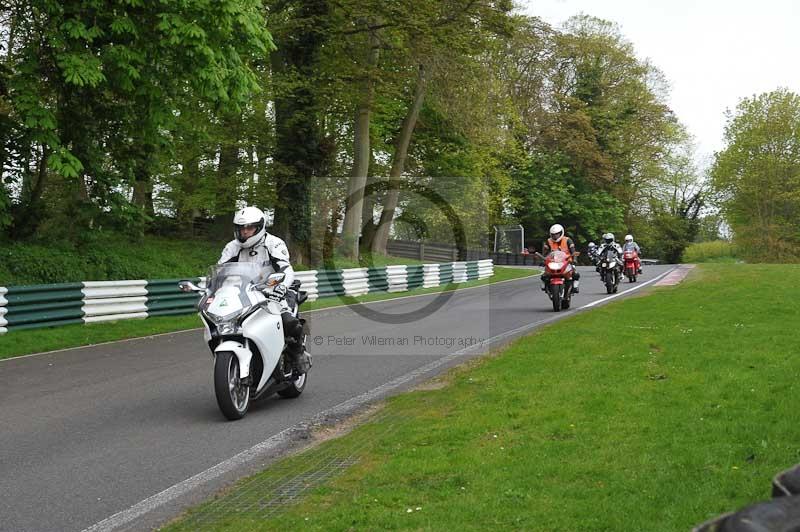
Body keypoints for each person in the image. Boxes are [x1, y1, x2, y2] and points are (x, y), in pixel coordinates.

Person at [218, 206, 311, 374]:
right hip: (244, 293)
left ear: (260, 227)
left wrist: (281, 287)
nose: (244, 232)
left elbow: (286, 269)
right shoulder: (232, 247)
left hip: (273, 290)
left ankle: (298, 353)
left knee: (287, 321)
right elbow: (220, 272)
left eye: (249, 228)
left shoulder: (273, 243)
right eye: (241, 228)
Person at [540, 223, 581, 293]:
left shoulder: (568, 240)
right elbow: (545, 252)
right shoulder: (549, 241)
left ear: (561, 233)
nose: (555, 236)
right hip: (553, 262)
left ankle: (575, 285)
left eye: (557, 234)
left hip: (566, 261)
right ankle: (545, 285)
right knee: (544, 275)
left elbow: (573, 250)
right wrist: (543, 260)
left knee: (575, 273)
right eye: (553, 234)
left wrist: (574, 259)